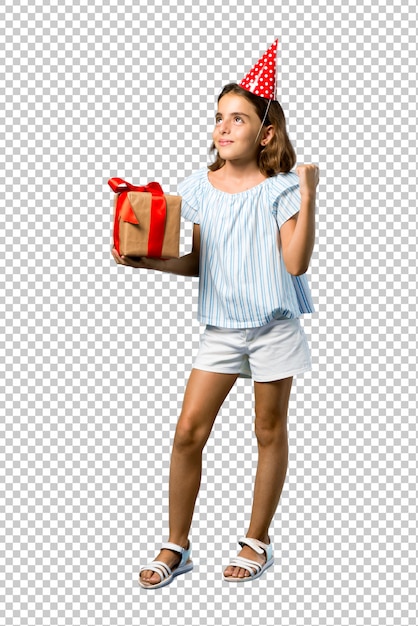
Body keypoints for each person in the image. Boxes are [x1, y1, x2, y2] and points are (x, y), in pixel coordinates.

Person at [112, 40, 319, 588]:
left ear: (266, 134)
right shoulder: (198, 189)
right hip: (222, 329)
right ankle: (177, 543)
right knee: (187, 432)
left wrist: (310, 193)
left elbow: (295, 264)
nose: (223, 128)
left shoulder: (280, 189)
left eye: (238, 119)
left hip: (274, 325)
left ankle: (258, 540)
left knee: (267, 428)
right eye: (219, 118)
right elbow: (199, 262)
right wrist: (148, 264)